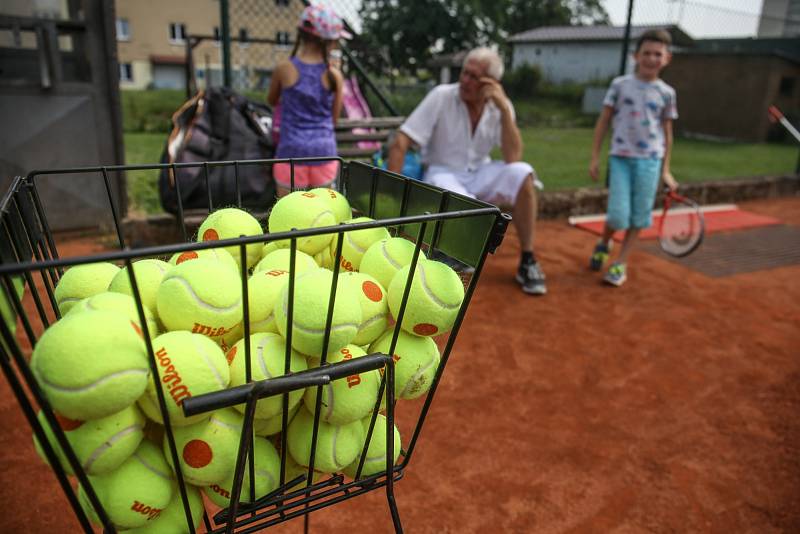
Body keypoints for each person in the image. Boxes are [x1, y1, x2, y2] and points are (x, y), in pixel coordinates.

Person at [387, 47, 547, 296]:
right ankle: (459, 255)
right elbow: (401, 140)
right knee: (464, 200)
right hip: (442, 173)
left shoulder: (499, 107)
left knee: (523, 174)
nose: (465, 81)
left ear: (491, 83)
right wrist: (394, 195)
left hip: (480, 171)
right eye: (464, 73)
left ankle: (527, 259)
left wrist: (504, 109)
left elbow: (513, 157)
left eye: (474, 77)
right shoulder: (442, 96)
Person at [588, 29, 679, 287]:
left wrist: (665, 170)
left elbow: (667, 133)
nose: (651, 58)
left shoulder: (667, 93)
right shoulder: (620, 85)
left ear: (667, 58)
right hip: (620, 158)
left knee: (639, 217)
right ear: (635, 56)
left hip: (651, 161)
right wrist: (594, 157)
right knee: (617, 216)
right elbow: (604, 120)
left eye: (657, 54)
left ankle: (620, 263)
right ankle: (604, 242)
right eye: (646, 53)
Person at [267, 4, 349, 196]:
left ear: (301, 35)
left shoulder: (283, 68)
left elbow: (272, 100)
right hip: (324, 152)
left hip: (290, 153)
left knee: (289, 214)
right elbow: (333, 120)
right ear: (328, 41)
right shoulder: (334, 75)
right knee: (322, 215)